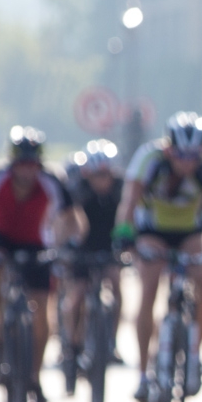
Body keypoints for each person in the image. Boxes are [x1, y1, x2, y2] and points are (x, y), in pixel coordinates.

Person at [0, 127, 85, 402]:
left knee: (43, 311)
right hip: (0, 237)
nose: (27, 171)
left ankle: (34, 377)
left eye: (32, 164)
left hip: (36, 242)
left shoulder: (52, 182)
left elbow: (74, 218)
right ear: (12, 163)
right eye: (21, 164)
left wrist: (72, 243)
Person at [117, 112, 202, 402]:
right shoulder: (149, 159)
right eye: (180, 155)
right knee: (149, 286)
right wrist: (124, 235)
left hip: (192, 231)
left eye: (193, 156)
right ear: (168, 149)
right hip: (154, 229)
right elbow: (129, 201)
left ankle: (194, 353)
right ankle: (142, 372)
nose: (187, 163)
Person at [60, 141, 124, 384]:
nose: (102, 180)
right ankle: (72, 344)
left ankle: (111, 342)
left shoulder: (121, 188)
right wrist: (67, 245)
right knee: (76, 295)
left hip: (109, 246)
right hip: (82, 248)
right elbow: (66, 220)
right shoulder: (77, 190)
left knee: (117, 287)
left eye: (106, 174)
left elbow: (131, 216)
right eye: (97, 175)